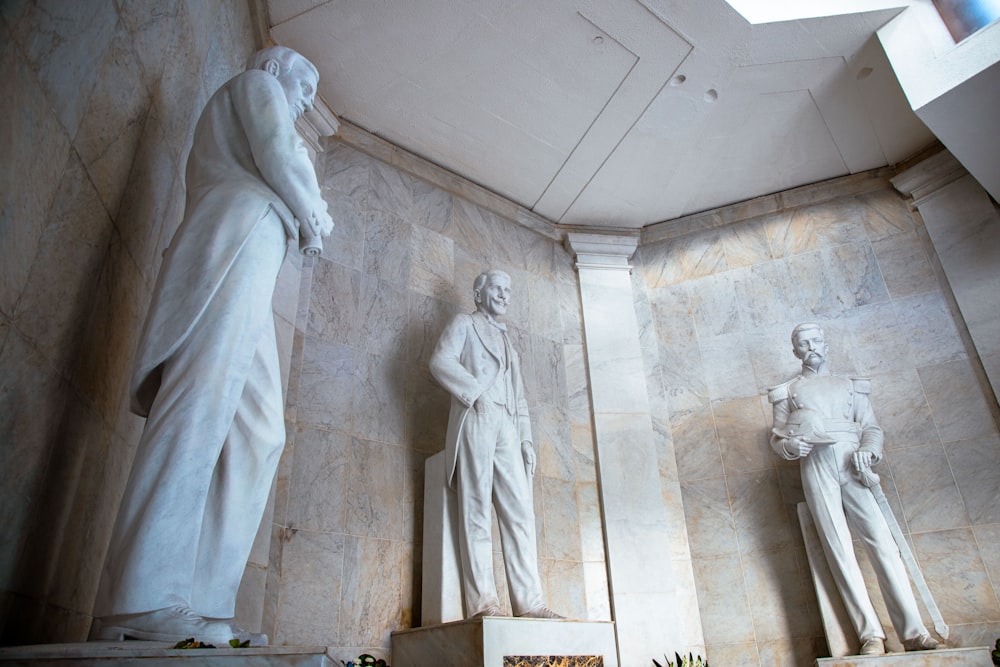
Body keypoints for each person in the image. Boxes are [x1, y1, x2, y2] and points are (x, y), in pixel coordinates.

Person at [94, 46, 333, 644]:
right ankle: (141, 598)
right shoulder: (257, 84)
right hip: (235, 240)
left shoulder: (268, 92)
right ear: (275, 68)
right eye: (302, 85)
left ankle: (199, 603)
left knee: (259, 431)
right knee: (200, 406)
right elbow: (279, 153)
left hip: (253, 248)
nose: (304, 100)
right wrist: (314, 214)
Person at [768, 323, 939, 656]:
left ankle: (914, 632)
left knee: (884, 545)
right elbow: (777, 436)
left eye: (815, 341)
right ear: (795, 351)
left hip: (852, 460)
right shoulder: (786, 392)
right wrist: (790, 446)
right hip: (815, 462)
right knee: (839, 549)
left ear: (826, 345)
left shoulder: (850, 385)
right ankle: (870, 635)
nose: (810, 347)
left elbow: (871, 426)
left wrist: (868, 450)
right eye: (803, 344)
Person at [429, 270, 562, 620]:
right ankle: (483, 603)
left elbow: (519, 395)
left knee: (520, 512)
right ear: (478, 293)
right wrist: (474, 395)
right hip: (477, 416)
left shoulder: (508, 340)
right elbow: (440, 361)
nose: (505, 295)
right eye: (497, 289)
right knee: (476, 508)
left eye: (508, 290)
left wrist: (526, 438)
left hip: (507, 425)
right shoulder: (464, 323)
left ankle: (530, 602)